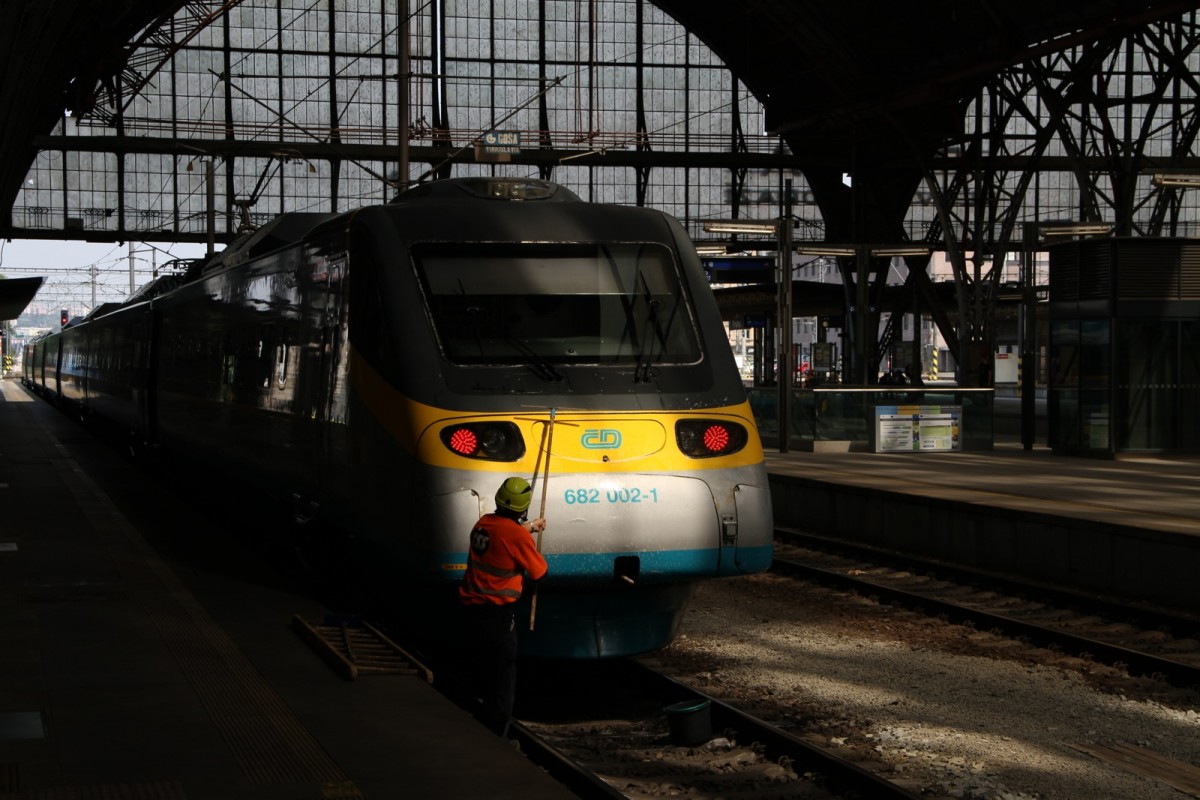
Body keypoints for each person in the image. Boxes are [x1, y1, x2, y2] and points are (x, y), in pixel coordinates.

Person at [458, 476, 549, 738]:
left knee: (482, 671)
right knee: (502, 676)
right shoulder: (515, 536)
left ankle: (479, 721)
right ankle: (497, 733)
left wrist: (529, 527)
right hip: (497, 617)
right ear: (523, 508)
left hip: (471, 612)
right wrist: (528, 537)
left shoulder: (482, 524)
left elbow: (504, 535)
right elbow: (540, 572)